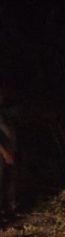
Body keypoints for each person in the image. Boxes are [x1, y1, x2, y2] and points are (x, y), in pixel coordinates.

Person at [0, 90, 17, 219]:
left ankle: (9, 210)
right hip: (2, 154)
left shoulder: (4, 112)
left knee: (9, 181)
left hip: (9, 152)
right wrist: (5, 153)